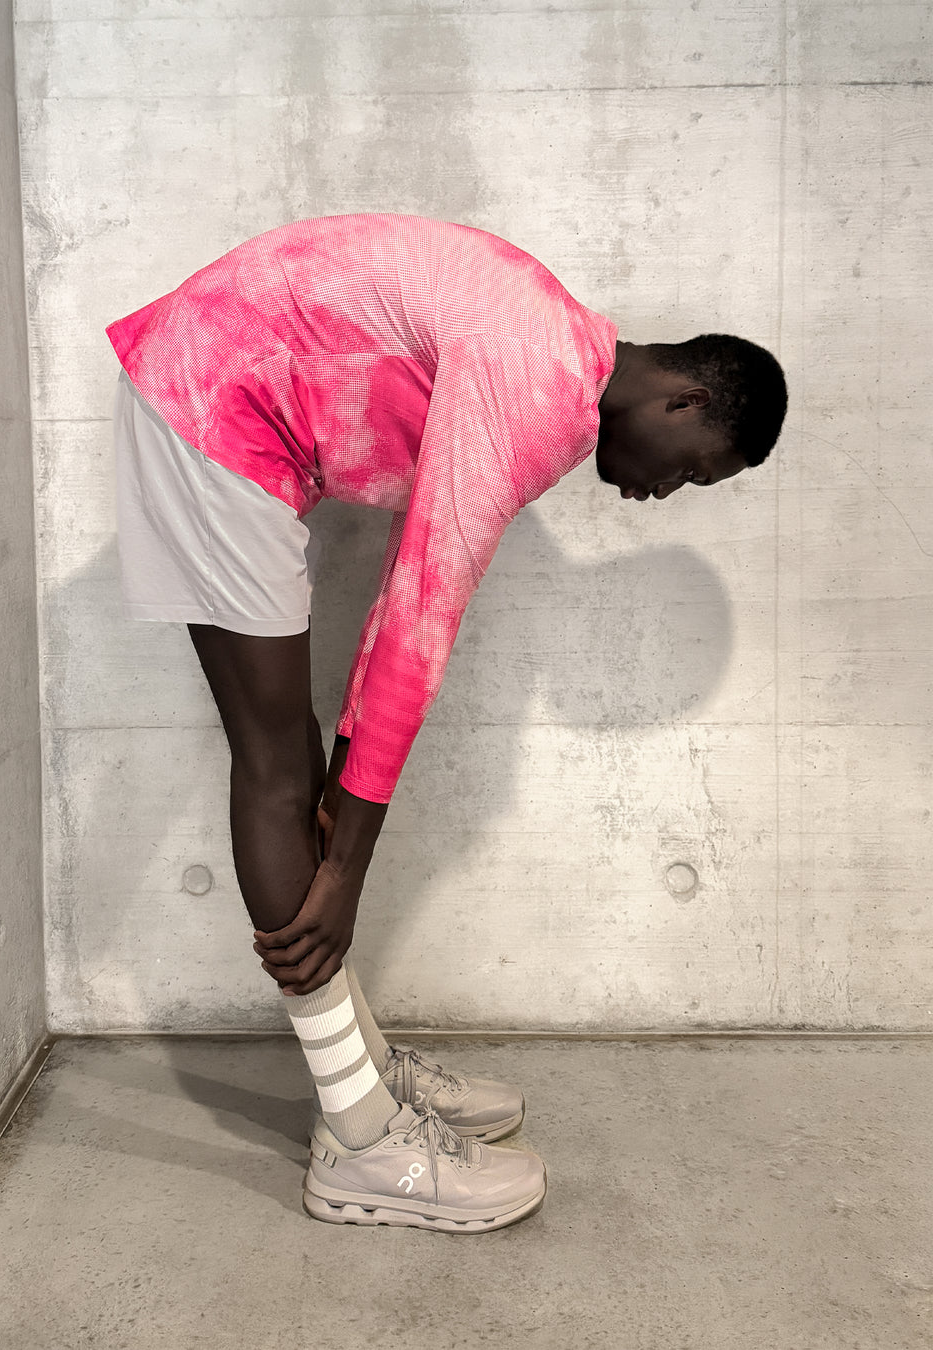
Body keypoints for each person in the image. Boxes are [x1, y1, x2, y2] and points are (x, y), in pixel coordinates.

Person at [106, 212, 787, 1233]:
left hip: (226, 389)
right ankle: (362, 1141)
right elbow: (416, 613)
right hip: (210, 402)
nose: (665, 491)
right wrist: (343, 874)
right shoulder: (535, 381)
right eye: (694, 468)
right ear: (685, 397)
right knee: (278, 768)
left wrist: (351, 831)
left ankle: (367, 1075)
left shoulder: (556, 349)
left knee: (293, 765)